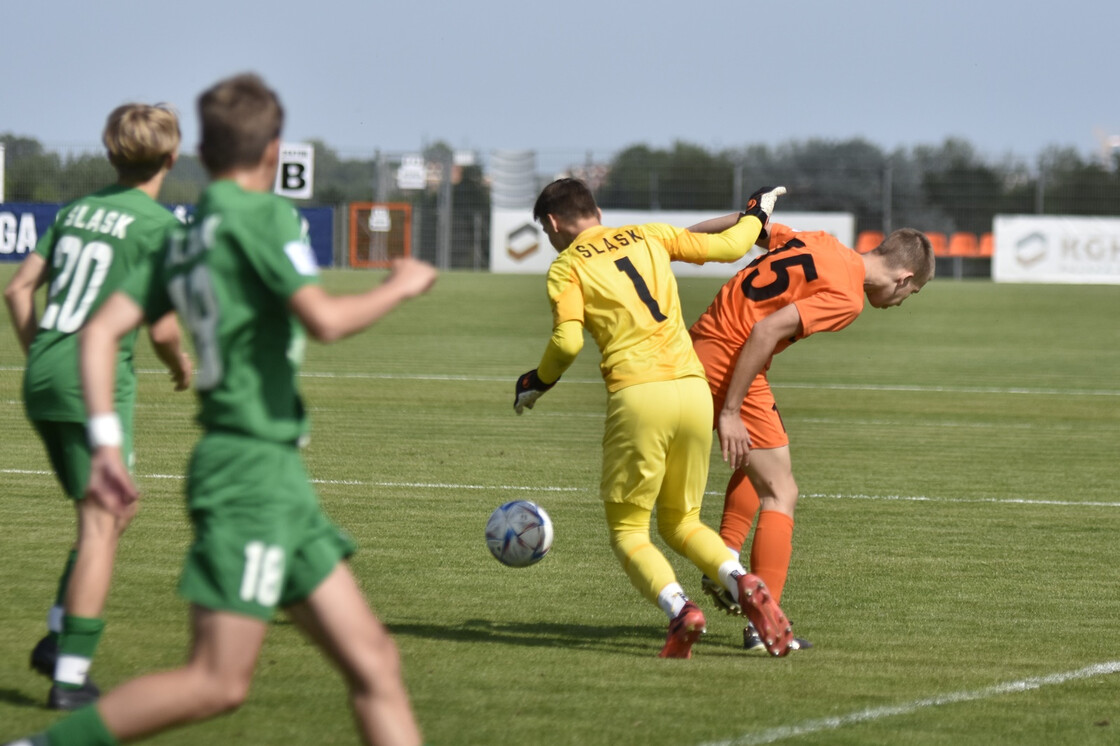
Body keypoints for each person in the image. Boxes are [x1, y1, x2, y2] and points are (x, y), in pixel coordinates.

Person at [8, 73, 435, 746]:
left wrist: (109, 447)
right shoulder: (263, 216)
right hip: (250, 476)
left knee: (375, 661)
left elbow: (97, 334)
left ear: (201, 155)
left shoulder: (184, 233)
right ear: (274, 150)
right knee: (217, 682)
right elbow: (323, 319)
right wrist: (402, 287)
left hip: (275, 478)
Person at [513, 177, 795, 659]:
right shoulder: (649, 233)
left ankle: (681, 610)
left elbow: (567, 342)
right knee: (682, 521)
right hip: (693, 390)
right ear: (596, 211)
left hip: (640, 396)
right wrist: (757, 212)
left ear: (554, 223)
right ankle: (744, 581)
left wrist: (536, 381)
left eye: (547, 231)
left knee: (628, 531)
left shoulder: (566, 266)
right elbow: (730, 245)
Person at [3, 103, 192, 710]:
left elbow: (17, 287)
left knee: (116, 511)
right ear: (172, 156)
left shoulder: (77, 210)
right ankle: (69, 678)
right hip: (99, 382)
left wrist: (44, 356)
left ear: (110, 154)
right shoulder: (159, 227)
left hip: (45, 373)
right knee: (101, 524)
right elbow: (161, 330)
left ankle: (60, 633)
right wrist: (181, 365)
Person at [686, 212, 934, 652]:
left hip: (700, 342)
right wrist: (729, 411)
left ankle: (720, 562)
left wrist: (677, 240)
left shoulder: (822, 242)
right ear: (903, 278)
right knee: (782, 492)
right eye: (912, 294)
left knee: (765, 461)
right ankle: (765, 629)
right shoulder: (848, 297)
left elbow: (750, 224)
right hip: (730, 359)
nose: (903, 302)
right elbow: (765, 330)